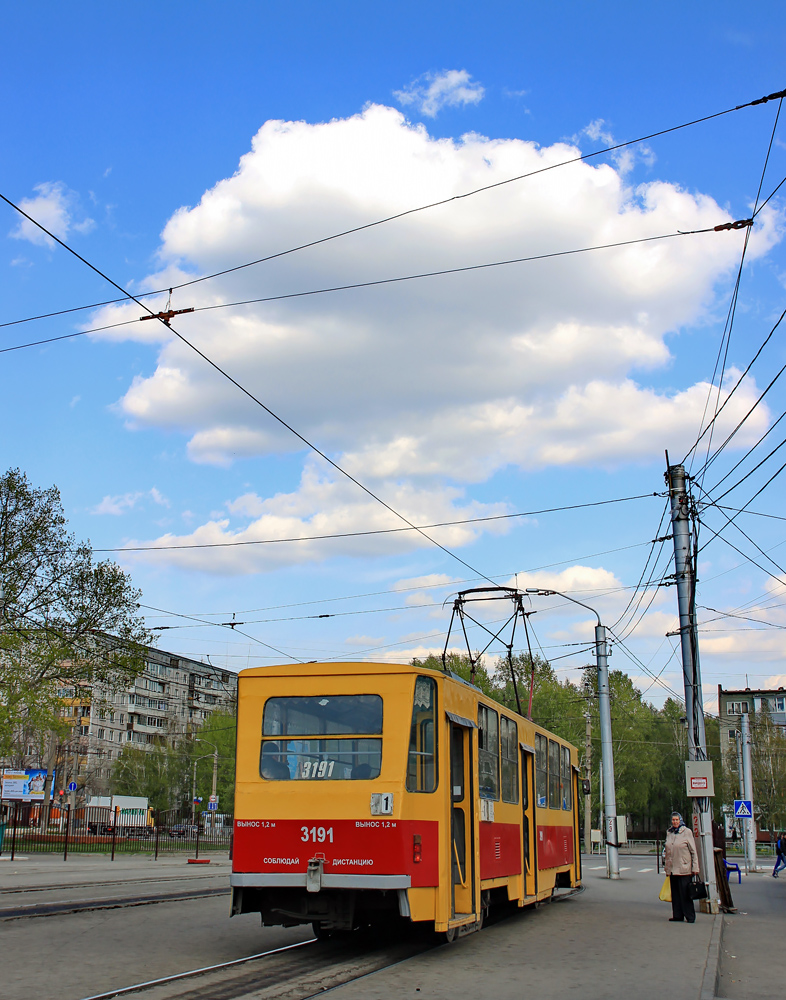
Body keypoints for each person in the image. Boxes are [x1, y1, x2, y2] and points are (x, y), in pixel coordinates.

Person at [663, 812, 700, 923]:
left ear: (680, 820)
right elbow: (668, 851)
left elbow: (693, 851)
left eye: (677, 820)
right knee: (675, 894)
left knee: (685, 894)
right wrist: (667, 868)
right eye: (673, 820)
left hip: (684, 869)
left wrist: (695, 868)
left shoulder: (686, 832)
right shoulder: (669, 833)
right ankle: (677, 915)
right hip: (673, 869)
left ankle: (690, 916)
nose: (675, 822)